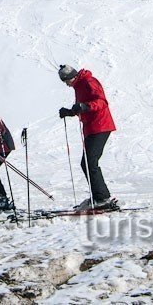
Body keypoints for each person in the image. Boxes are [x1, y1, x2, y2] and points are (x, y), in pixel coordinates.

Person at [57, 65, 117, 210]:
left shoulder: (89, 82)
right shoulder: (79, 86)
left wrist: (84, 106)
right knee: (87, 163)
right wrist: (70, 112)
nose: (67, 84)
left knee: (90, 162)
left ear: (73, 76)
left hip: (100, 126)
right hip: (91, 127)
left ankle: (102, 198)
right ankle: (99, 196)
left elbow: (102, 102)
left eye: (66, 80)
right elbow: (82, 107)